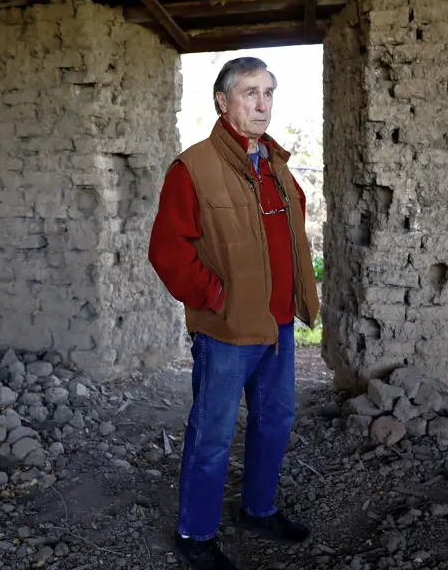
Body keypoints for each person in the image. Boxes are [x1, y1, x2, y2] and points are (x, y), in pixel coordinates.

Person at [148, 57, 321, 570]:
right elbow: (168, 251)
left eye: (268, 92)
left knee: (275, 420)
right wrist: (216, 297)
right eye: (250, 92)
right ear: (223, 101)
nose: (262, 102)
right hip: (226, 329)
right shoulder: (193, 168)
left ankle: (257, 509)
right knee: (213, 431)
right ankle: (195, 534)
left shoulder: (276, 162)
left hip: (277, 325)